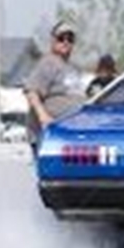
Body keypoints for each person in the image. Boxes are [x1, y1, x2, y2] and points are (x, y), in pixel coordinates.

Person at [24, 21, 85, 156]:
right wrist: (43, 117)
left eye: (70, 39)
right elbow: (32, 92)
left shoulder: (73, 67)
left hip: (68, 135)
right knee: (51, 169)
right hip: (49, 136)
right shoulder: (48, 63)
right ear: (53, 40)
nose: (66, 42)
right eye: (61, 38)